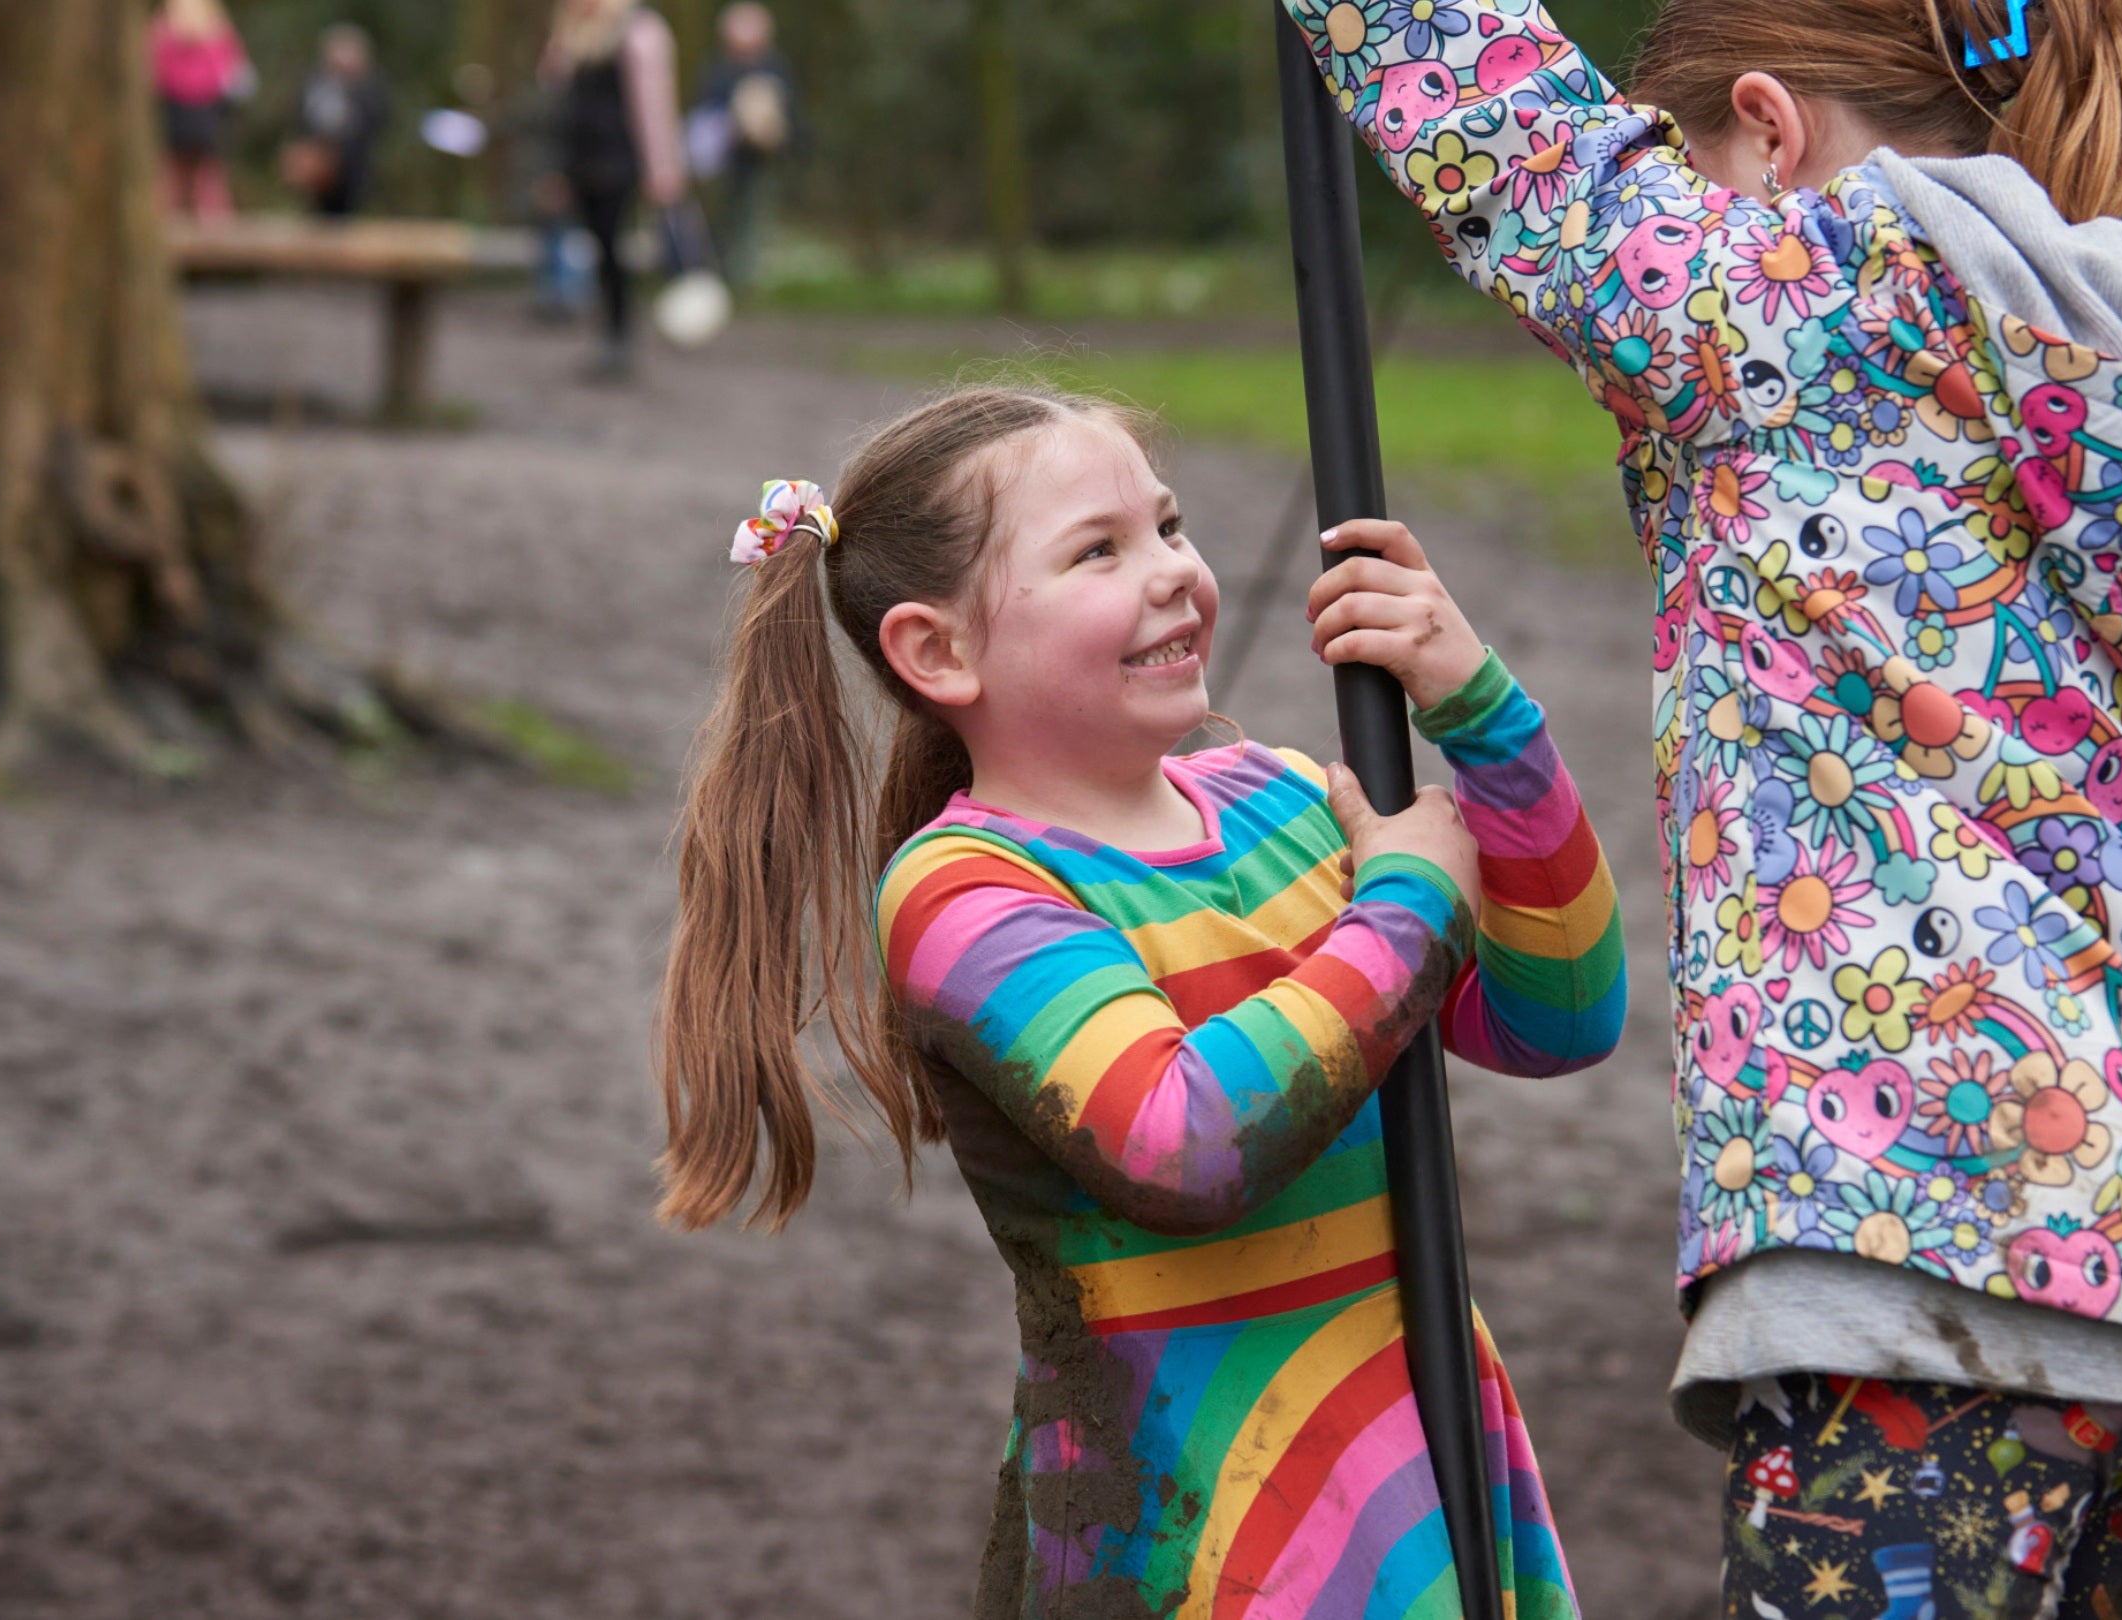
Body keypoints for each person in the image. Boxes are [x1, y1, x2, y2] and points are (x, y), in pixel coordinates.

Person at [1273, 0, 2122, 1611]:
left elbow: (1524, 146)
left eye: (1697, 170)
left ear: (1770, 134)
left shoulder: (1807, 297)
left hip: (1929, 1234)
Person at [655, 387, 1629, 1617]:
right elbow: (1186, 1141)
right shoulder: (966, 893)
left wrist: (1482, 713)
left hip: (1412, 1456)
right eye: (1099, 551)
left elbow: (1563, 1018)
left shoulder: (1283, 800)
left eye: (1168, 526)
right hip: (1193, 1525)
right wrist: (1404, 913)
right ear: (937, 651)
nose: (1173, 571)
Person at [541, 0, 686, 380]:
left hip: (616, 163)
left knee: (613, 250)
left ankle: (618, 339)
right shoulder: (574, 35)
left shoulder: (639, 30)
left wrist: (662, 170)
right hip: (580, 164)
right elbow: (557, 104)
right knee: (598, 252)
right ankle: (607, 335)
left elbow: (652, 105)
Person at [685, 1, 800, 290]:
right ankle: (719, 275)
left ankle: (746, 278)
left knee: (755, 218)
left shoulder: (776, 67)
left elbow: (793, 115)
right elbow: (704, 115)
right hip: (725, 160)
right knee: (721, 220)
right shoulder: (718, 69)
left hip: (761, 161)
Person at [147, 0, 252, 226]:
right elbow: (233, 77)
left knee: (180, 171)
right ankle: (213, 223)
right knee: (203, 172)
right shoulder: (221, 33)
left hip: (179, 110)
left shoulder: (161, 32)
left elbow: (153, 73)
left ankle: (172, 219)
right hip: (202, 112)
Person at [291, 23, 389, 219]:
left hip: (351, 166)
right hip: (318, 162)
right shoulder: (314, 84)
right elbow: (301, 122)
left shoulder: (368, 90)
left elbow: (374, 124)